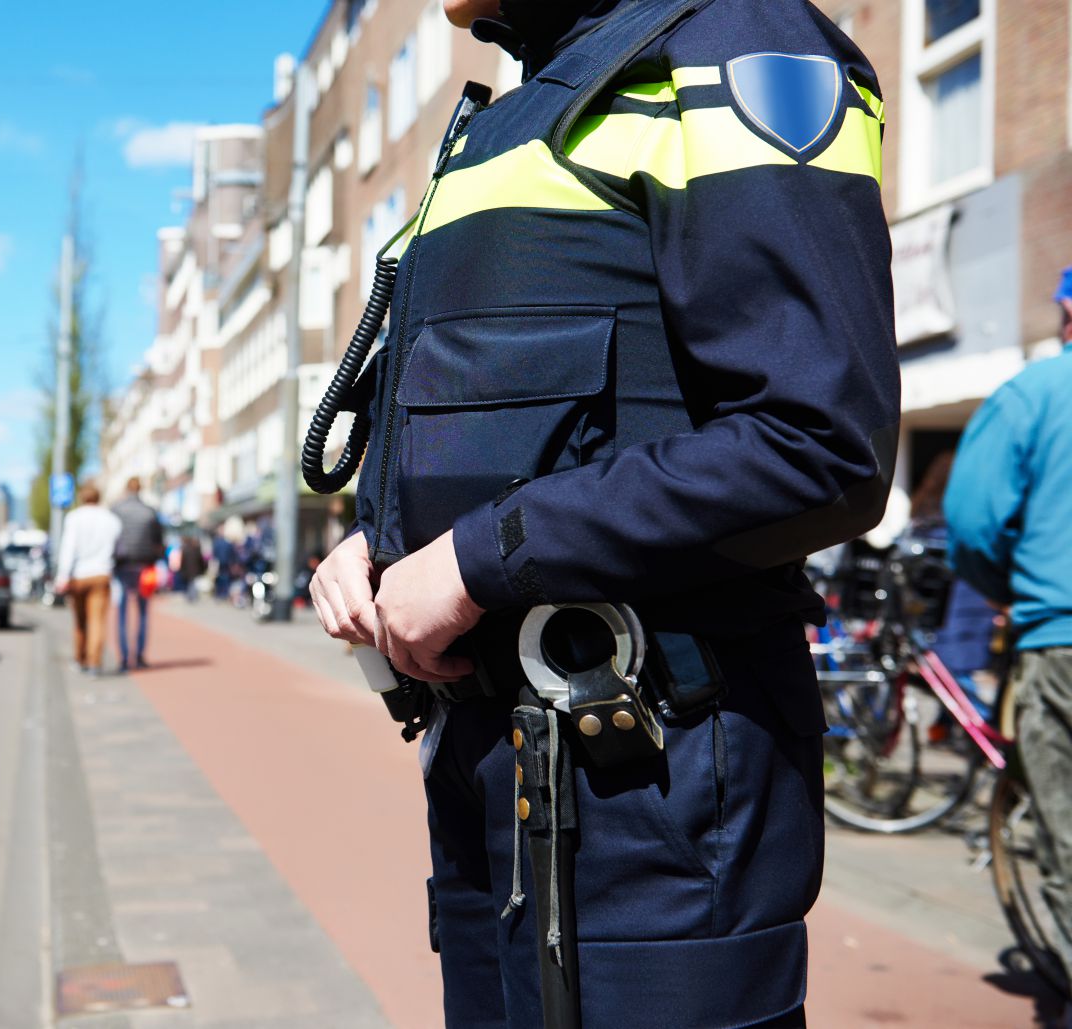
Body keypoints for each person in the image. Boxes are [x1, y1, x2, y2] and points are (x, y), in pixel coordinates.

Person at [308, 1, 898, 1025]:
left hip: (649, 781)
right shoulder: (513, 113)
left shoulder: (734, 47)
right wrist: (380, 539)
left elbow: (816, 439)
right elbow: (516, 419)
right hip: (488, 775)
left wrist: (476, 563)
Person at [946, 267, 1072, 1006]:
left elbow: (972, 523)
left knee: (1064, 831)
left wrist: (1010, 592)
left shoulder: (1034, 394)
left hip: (1061, 636)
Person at [55, 481, 121, 676]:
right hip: (101, 574)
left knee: (80, 621)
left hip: (78, 575)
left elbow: (68, 547)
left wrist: (62, 576)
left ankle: (80, 658)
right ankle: (94, 662)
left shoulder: (74, 518)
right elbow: (116, 548)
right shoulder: (111, 519)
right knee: (97, 621)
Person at [110, 477, 164, 670]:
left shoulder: (116, 510)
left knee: (122, 611)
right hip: (144, 566)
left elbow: (112, 538)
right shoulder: (150, 512)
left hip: (123, 565)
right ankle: (140, 655)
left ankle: (124, 657)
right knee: (142, 612)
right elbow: (159, 541)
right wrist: (153, 559)